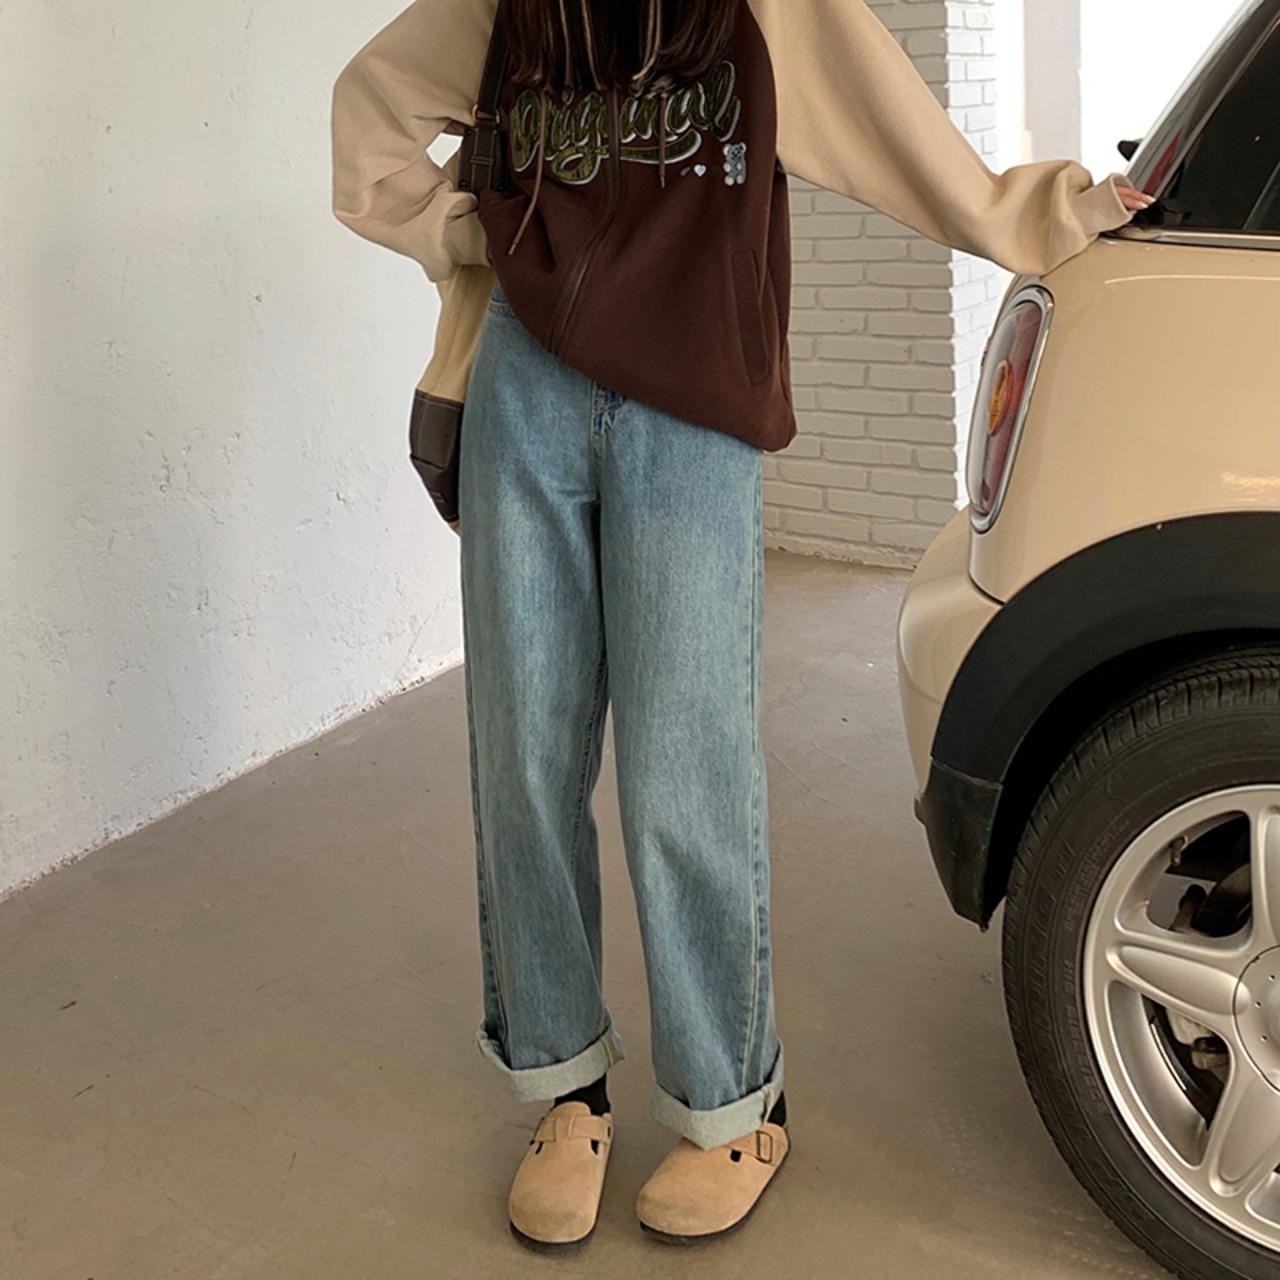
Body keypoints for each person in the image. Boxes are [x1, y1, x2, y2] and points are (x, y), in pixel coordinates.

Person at [330, 0, 1154, 1253]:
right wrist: (476, 227)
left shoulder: (758, 9)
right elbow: (370, 119)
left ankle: (732, 1104)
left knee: (684, 764)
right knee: (521, 756)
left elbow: (893, 138)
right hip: (524, 386)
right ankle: (562, 1086)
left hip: (692, 397)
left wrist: (1042, 213)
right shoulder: (509, 5)